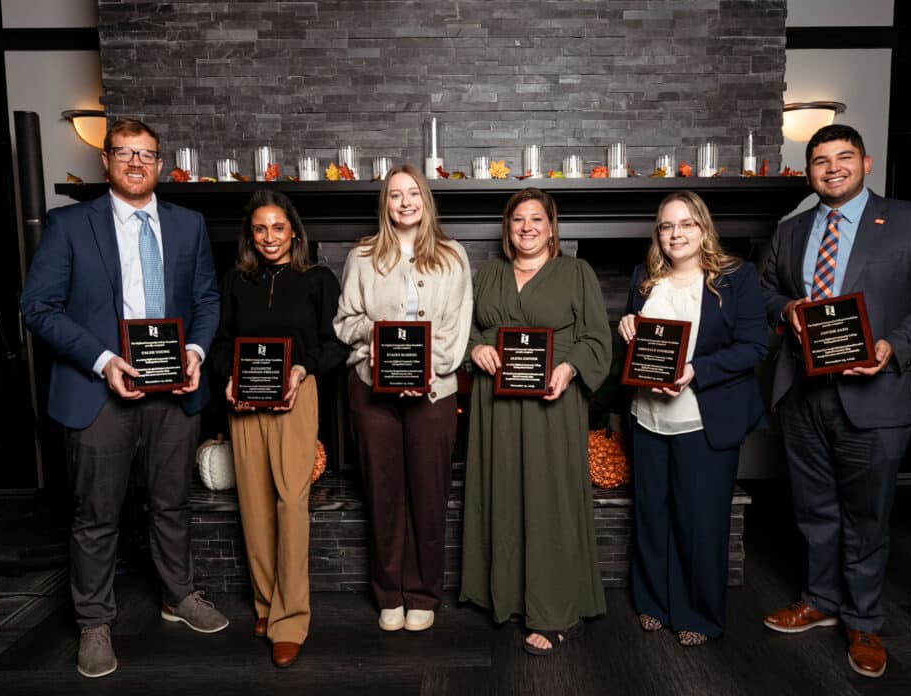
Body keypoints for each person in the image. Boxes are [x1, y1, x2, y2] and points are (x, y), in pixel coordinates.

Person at [20, 117, 228, 679]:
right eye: (124, 153)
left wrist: (196, 353)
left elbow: (207, 299)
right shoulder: (69, 225)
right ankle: (94, 621)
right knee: (97, 513)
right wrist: (102, 360)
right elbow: (38, 307)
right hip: (99, 390)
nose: (136, 163)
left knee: (172, 502)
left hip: (174, 387)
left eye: (146, 154)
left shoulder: (188, 224)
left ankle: (178, 595)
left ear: (160, 163)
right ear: (106, 161)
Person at [760, 124, 911, 677]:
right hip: (803, 392)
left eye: (844, 157)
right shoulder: (790, 230)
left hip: (876, 394)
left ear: (866, 163)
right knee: (813, 509)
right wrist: (786, 309)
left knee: (867, 515)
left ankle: (863, 621)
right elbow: (765, 291)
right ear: (808, 172)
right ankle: (819, 601)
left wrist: (893, 345)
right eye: (820, 160)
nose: (832, 168)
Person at [460, 187, 612, 655]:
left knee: (550, 501)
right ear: (507, 229)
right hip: (495, 403)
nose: (526, 227)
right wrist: (475, 349)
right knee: (502, 492)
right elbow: (466, 329)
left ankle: (555, 611)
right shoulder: (489, 274)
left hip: (553, 400)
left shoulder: (576, 272)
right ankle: (505, 596)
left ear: (551, 228)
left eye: (536, 219)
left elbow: (596, 337)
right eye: (517, 220)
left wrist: (570, 369)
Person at [618, 191, 768, 646]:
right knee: (652, 515)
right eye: (666, 226)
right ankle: (653, 602)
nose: (676, 234)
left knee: (700, 521)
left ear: (703, 228)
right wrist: (627, 325)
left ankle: (697, 614)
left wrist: (695, 370)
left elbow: (754, 347)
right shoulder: (644, 277)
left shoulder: (736, 277)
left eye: (686, 224)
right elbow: (641, 340)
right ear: (658, 234)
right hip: (647, 418)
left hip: (704, 419)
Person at [210, 190, 347, 668]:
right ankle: (266, 604)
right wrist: (228, 376)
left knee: (290, 501)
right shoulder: (235, 281)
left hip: (295, 394)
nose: (270, 237)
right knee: (253, 503)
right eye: (260, 228)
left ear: (294, 232)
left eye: (278, 227)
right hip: (244, 400)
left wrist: (302, 368)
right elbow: (222, 341)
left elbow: (336, 344)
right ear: (250, 235)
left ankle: (290, 619)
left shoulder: (318, 280)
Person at [333, 164, 472, 633]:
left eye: (413, 193)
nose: (405, 202)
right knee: (383, 493)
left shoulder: (453, 256)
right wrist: (378, 340)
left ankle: (423, 593)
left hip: (434, 390)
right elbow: (344, 322)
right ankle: (389, 592)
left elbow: (457, 328)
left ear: (426, 201)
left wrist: (423, 369)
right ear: (386, 204)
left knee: (429, 494)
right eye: (396, 195)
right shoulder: (362, 256)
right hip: (371, 387)